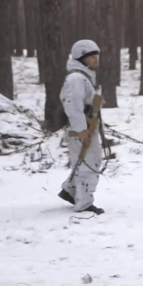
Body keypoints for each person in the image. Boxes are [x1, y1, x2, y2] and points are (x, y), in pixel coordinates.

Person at [58, 39, 105, 215]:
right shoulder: (76, 78)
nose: (95, 59)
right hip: (81, 129)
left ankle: (70, 191)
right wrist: (81, 129)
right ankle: (84, 204)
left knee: (83, 162)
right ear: (81, 57)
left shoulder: (83, 77)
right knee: (89, 164)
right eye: (92, 56)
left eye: (96, 56)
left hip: (86, 127)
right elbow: (73, 105)